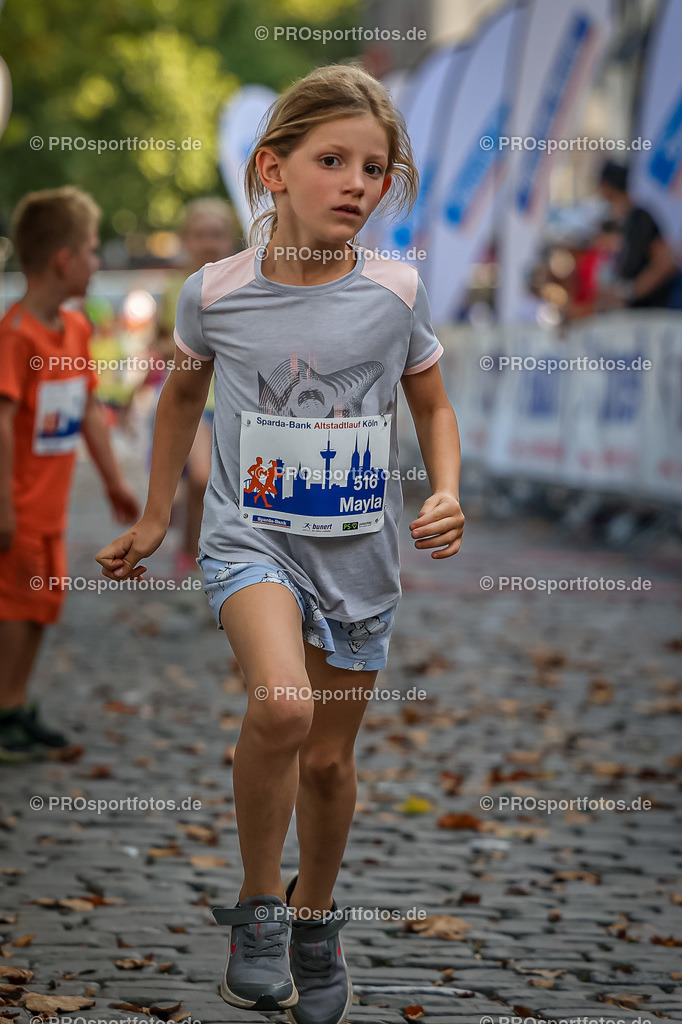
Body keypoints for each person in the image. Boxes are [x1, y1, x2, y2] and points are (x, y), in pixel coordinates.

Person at [96, 63, 464, 1024]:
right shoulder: (214, 292)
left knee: (332, 763)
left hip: (359, 555)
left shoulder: (395, 290)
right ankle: (260, 908)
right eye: (332, 159)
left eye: (375, 168)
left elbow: (431, 399)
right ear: (272, 168)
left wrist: (447, 491)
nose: (356, 182)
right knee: (284, 708)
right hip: (249, 537)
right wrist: (152, 516)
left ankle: (316, 915)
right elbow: (183, 395)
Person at [0, 186, 140, 762]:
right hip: (20, 506)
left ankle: (15, 702)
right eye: (90, 249)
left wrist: (113, 482)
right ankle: (5, 711)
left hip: (54, 508)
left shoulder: (77, 330)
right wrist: (4, 504)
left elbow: (88, 411)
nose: (96, 260)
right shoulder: (15, 336)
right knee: (14, 607)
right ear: (64, 260)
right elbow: (2, 423)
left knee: (42, 606)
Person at [153, 198, 238, 576]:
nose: (209, 243)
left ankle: (231, 557)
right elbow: (158, 344)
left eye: (217, 235)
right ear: (186, 239)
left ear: (231, 240)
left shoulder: (243, 286)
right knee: (202, 477)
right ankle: (190, 556)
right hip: (195, 402)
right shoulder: (177, 288)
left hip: (237, 402)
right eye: (201, 235)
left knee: (239, 486)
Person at [597, 161, 679, 309]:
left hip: (658, 311)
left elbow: (666, 264)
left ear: (607, 186)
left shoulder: (641, 216)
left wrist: (630, 292)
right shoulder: (629, 217)